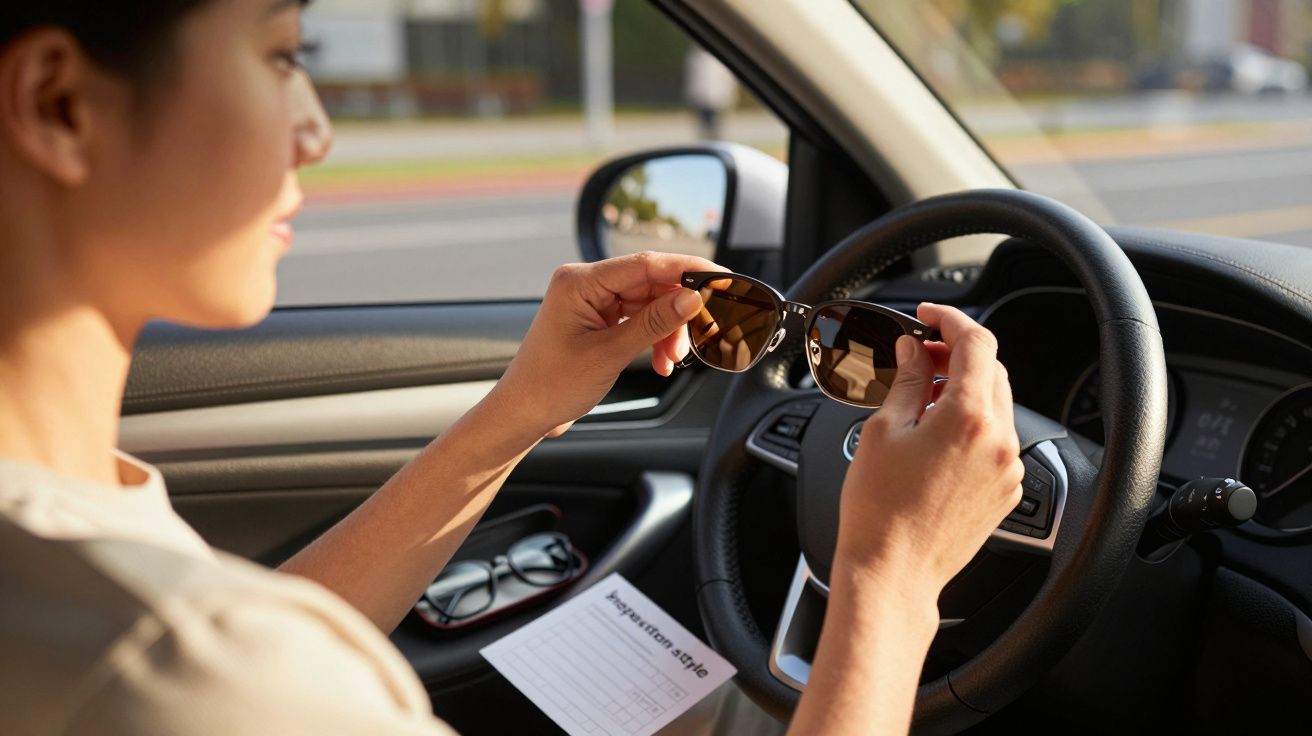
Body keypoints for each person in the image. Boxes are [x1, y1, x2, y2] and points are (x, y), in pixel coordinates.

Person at [0, 2, 1023, 735]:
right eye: (281, 53)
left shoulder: (85, 577)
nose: (315, 130)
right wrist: (892, 577)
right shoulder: (167, 659)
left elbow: (264, 642)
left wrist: (521, 411)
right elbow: (224, 664)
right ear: (59, 105)